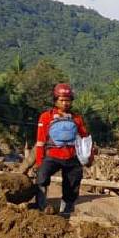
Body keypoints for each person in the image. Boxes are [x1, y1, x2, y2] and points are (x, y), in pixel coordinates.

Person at [30, 83, 91, 216]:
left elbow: (85, 138)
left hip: (71, 156)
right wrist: (39, 162)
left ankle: (67, 209)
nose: (65, 103)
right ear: (55, 100)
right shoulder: (46, 117)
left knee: (73, 182)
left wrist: (88, 156)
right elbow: (40, 142)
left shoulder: (77, 118)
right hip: (52, 155)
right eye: (61, 100)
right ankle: (41, 205)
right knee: (42, 176)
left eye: (67, 100)